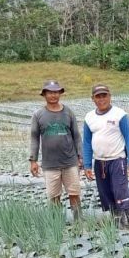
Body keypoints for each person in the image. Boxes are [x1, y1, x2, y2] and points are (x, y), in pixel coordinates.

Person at [83, 84, 129, 229]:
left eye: (104, 95)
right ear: (93, 99)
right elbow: (86, 142)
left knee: (121, 192)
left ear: (110, 96)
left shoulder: (119, 114)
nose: (102, 99)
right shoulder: (89, 117)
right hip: (100, 163)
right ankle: (119, 225)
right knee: (107, 195)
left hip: (117, 160)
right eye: (98, 96)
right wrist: (87, 165)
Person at [29, 80, 82, 221]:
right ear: (44, 95)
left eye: (56, 92)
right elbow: (34, 138)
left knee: (74, 193)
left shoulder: (68, 112)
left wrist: (80, 156)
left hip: (70, 162)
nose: (53, 95)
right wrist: (33, 160)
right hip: (50, 164)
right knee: (54, 196)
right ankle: (57, 224)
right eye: (50, 92)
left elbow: (76, 135)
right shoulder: (38, 115)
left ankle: (78, 222)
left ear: (60, 94)